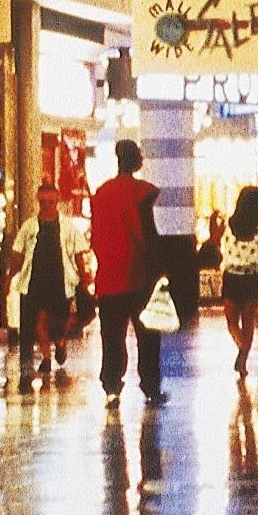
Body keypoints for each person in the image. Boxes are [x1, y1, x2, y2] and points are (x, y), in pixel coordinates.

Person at [91, 139, 164, 406]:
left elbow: (97, 235)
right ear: (135, 159)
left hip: (109, 276)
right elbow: (148, 233)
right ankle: (150, 386)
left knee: (111, 336)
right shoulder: (141, 192)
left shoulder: (101, 193)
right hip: (137, 274)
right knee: (147, 335)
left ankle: (111, 386)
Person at [8, 182, 87, 391]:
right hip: (35, 281)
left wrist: (84, 280)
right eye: (44, 202)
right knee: (38, 321)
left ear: (58, 201)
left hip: (61, 281)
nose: (48, 206)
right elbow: (18, 253)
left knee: (60, 321)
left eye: (51, 202)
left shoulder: (68, 226)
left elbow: (79, 253)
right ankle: (44, 358)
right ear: (38, 202)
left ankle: (60, 342)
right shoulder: (29, 226)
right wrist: (10, 275)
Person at [219, 186, 258, 377]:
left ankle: (242, 358)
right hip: (253, 278)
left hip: (232, 277)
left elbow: (216, 242)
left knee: (231, 321)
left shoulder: (227, 224)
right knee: (248, 321)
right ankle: (243, 355)